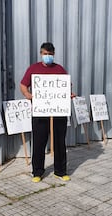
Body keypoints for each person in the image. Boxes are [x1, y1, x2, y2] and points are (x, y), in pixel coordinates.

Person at [20, 42, 72, 183]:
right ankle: (37, 172)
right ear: (41, 53)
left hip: (58, 112)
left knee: (60, 142)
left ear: (53, 54)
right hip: (40, 112)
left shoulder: (60, 69)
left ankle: (60, 171)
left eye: (50, 54)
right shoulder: (33, 68)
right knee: (38, 142)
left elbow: (66, 87)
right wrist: (27, 94)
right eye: (45, 54)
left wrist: (69, 94)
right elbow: (23, 84)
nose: (47, 56)